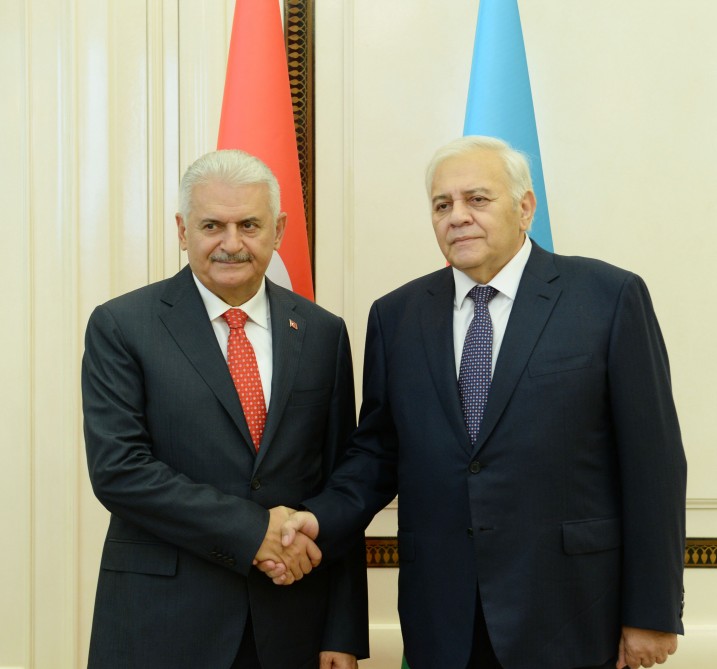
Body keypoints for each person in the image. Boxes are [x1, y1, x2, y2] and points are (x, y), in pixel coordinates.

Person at [269, 136, 687, 669]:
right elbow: (377, 454)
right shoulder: (396, 316)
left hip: (573, 615)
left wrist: (652, 610)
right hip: (443, 620)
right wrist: (319, 519)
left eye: (477, 199)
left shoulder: (607, 297)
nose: (458, 216)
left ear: (525, 208)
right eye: (442, 204)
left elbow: (654, 465)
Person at [82, 149, 368, 669]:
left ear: (278, 231)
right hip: (161, 624)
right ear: (182, 230)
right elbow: (119, 471)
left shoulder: (323, 333)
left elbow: (341, 481)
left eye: (249, 225)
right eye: (212, 225)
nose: (232, 244)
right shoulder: (122, 325)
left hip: (291, 625)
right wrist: (252, 531)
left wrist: (342, 632)